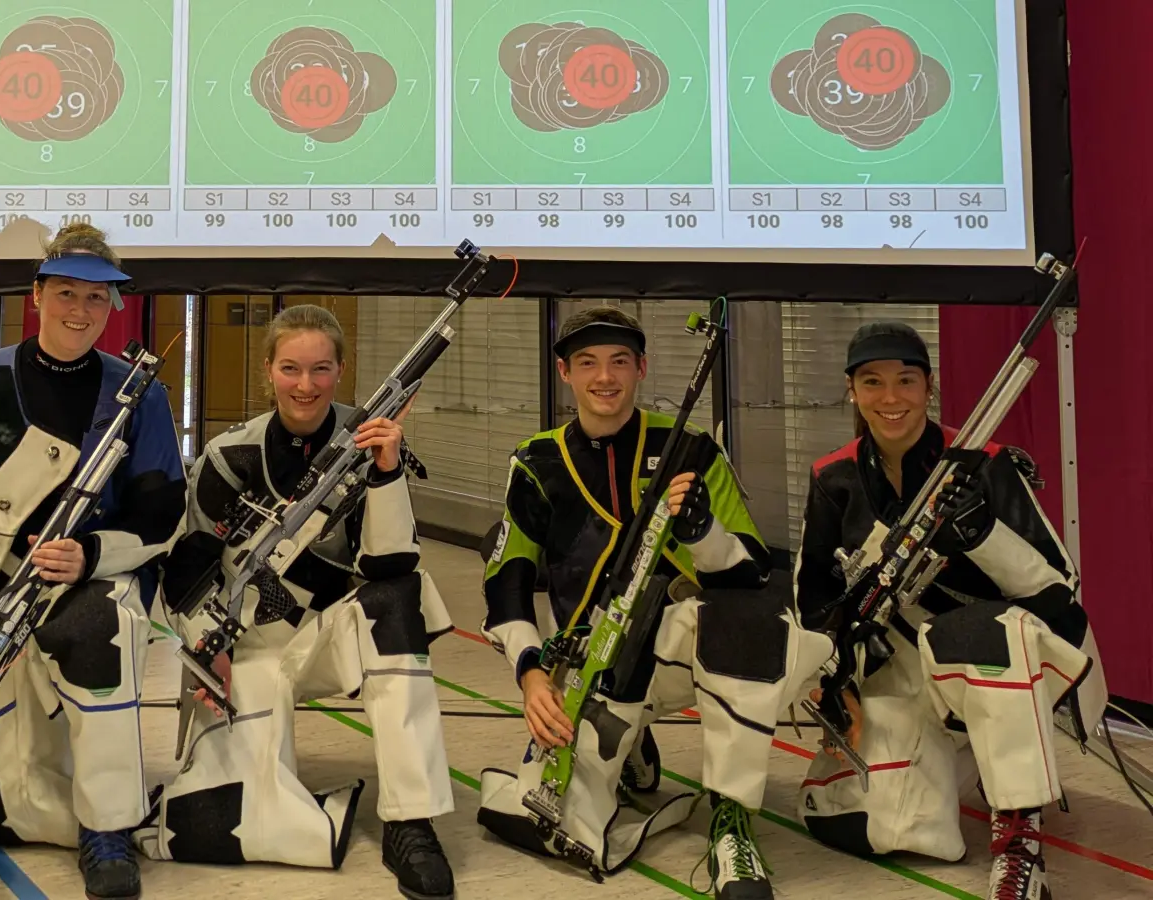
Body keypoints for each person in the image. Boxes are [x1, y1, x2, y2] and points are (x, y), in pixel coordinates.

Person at [475, 306, 832, 900]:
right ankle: (630, 741)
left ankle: (731, 818)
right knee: (551, 818)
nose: (604, 377)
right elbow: (505, 584)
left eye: (619, 361)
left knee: (740, 628)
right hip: (591, 660)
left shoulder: (689, 448)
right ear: (564, 372)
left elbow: (751, 571)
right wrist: (532, 675)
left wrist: (703, 535)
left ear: (641, 368)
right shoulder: (535, 461)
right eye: (587, 363)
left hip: (683, 646)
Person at [0, 224, 185, 900]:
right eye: (67, 293)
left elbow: (162, 514)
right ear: (37, 295)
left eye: (97, 299)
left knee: (100, 630)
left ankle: (107, 827)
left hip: (88, 584)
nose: (80, 312)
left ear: (113, 308)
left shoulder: (142, 396)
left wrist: (94, 555)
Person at [135, 304, 457, 900]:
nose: (305, 385)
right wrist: (207, 656)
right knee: (233, 819)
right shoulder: (229, 455)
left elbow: (389, 566)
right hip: (243, 648)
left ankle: (412, 820)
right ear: (268, 370)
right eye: (290, 368)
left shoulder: (365, 444)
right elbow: (184, 573)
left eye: (320, 369)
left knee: (399, 601)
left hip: (326, 639)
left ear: (340, 370)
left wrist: (385, 471)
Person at [795, 322, 1105, 900]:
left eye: (906, 381)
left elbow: (1059, 591)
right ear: (851, 390)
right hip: (899, 667)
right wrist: (835, 683)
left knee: (986, 633)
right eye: (873, 382)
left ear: (929, 386)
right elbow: (814, 597)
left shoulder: (985, 463)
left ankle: (1019, 849)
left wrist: (985, 535)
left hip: (999, 660)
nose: (891, 399)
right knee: (903, 827)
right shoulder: (832, 476)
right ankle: (978, 767)